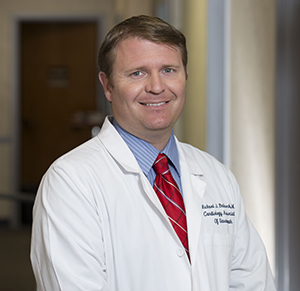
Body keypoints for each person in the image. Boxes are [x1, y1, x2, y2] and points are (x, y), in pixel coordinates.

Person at [30, 15, 277, 290]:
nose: (157, 87)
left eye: (169, 70)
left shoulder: (217, 175)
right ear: (108, 85)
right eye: (138, 73)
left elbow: (253, 281)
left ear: (185, 76)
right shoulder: (70, 182)